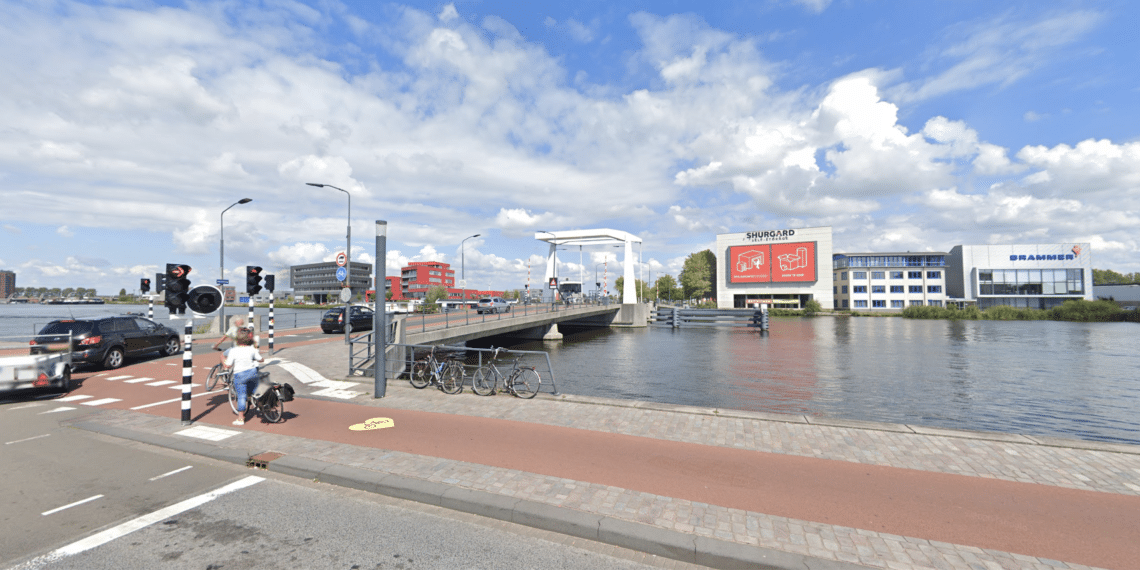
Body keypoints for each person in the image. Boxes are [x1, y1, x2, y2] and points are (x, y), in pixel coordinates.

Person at [224, 329, 264, 426]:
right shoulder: (252, 349)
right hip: (252, 372)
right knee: (256, 391)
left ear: (237, 340)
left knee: (241, 396)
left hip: (240, 374)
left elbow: (228, 364)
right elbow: (261, 359)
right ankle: (262, 407)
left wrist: (226, 364)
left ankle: (241, 418)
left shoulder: (233, 351)